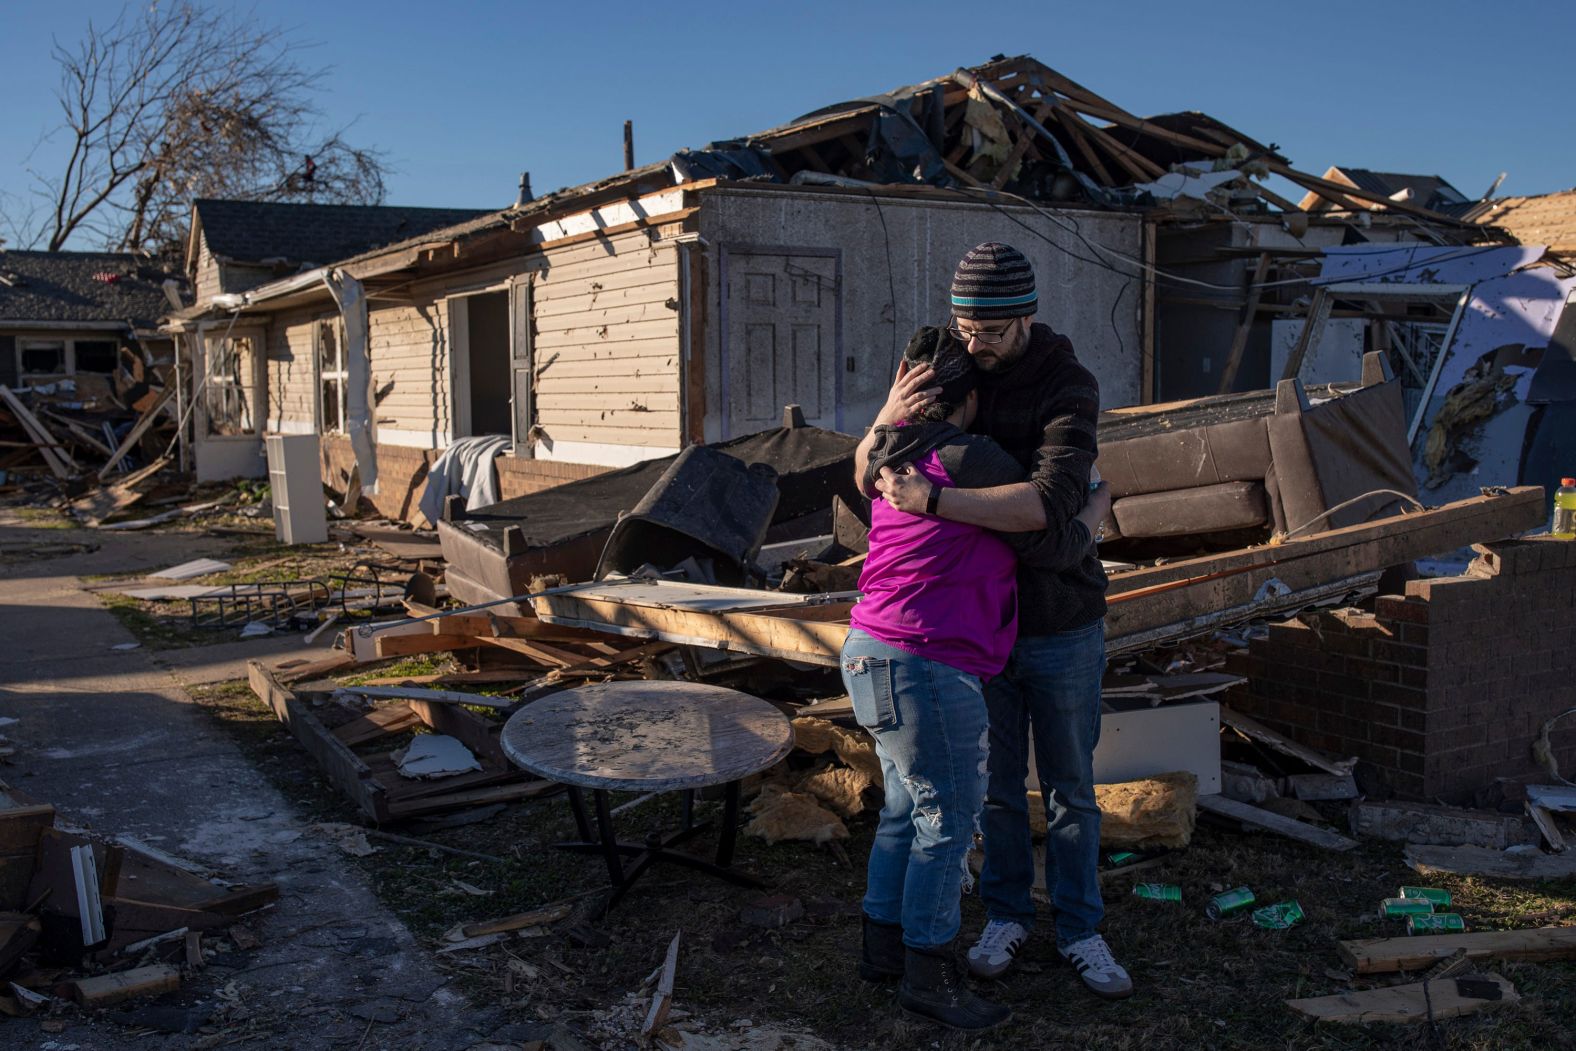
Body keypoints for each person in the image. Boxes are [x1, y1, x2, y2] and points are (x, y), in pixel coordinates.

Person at [859, 242, 1130, 1000]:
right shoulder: (947, 361)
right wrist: (886, 416)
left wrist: (940, 502)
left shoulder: (1067, 383)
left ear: (1028, 316)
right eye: (966, 326)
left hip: (1062, 616)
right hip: (979, 630)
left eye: (993, 331)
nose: (976, 346)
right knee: (1000, 788)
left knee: (1073, 785)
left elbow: (1046, 517)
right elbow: (870, 475)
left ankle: (1079, 927)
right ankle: (1007, 913)